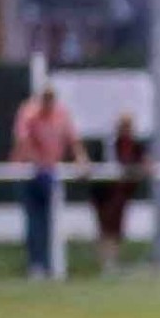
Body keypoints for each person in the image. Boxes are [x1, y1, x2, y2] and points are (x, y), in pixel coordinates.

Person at [9, 83, 81, 279]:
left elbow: (73, 139)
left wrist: (81, 160)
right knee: (34, 220)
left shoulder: (61, 114)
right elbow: (23, 142)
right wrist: (40, 163)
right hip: (29, 173)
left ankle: (50, 264)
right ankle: (36, 264)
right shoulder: (28, 112)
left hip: (50, 173)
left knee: (50, 219)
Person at [88, 113, 149, 274]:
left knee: (117, 229)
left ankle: (112, 262)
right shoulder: (108, 144)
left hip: (121, 194)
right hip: (103, 193)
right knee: (105, 229)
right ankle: (104, 263)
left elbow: (144, 163)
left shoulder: (135, 145)